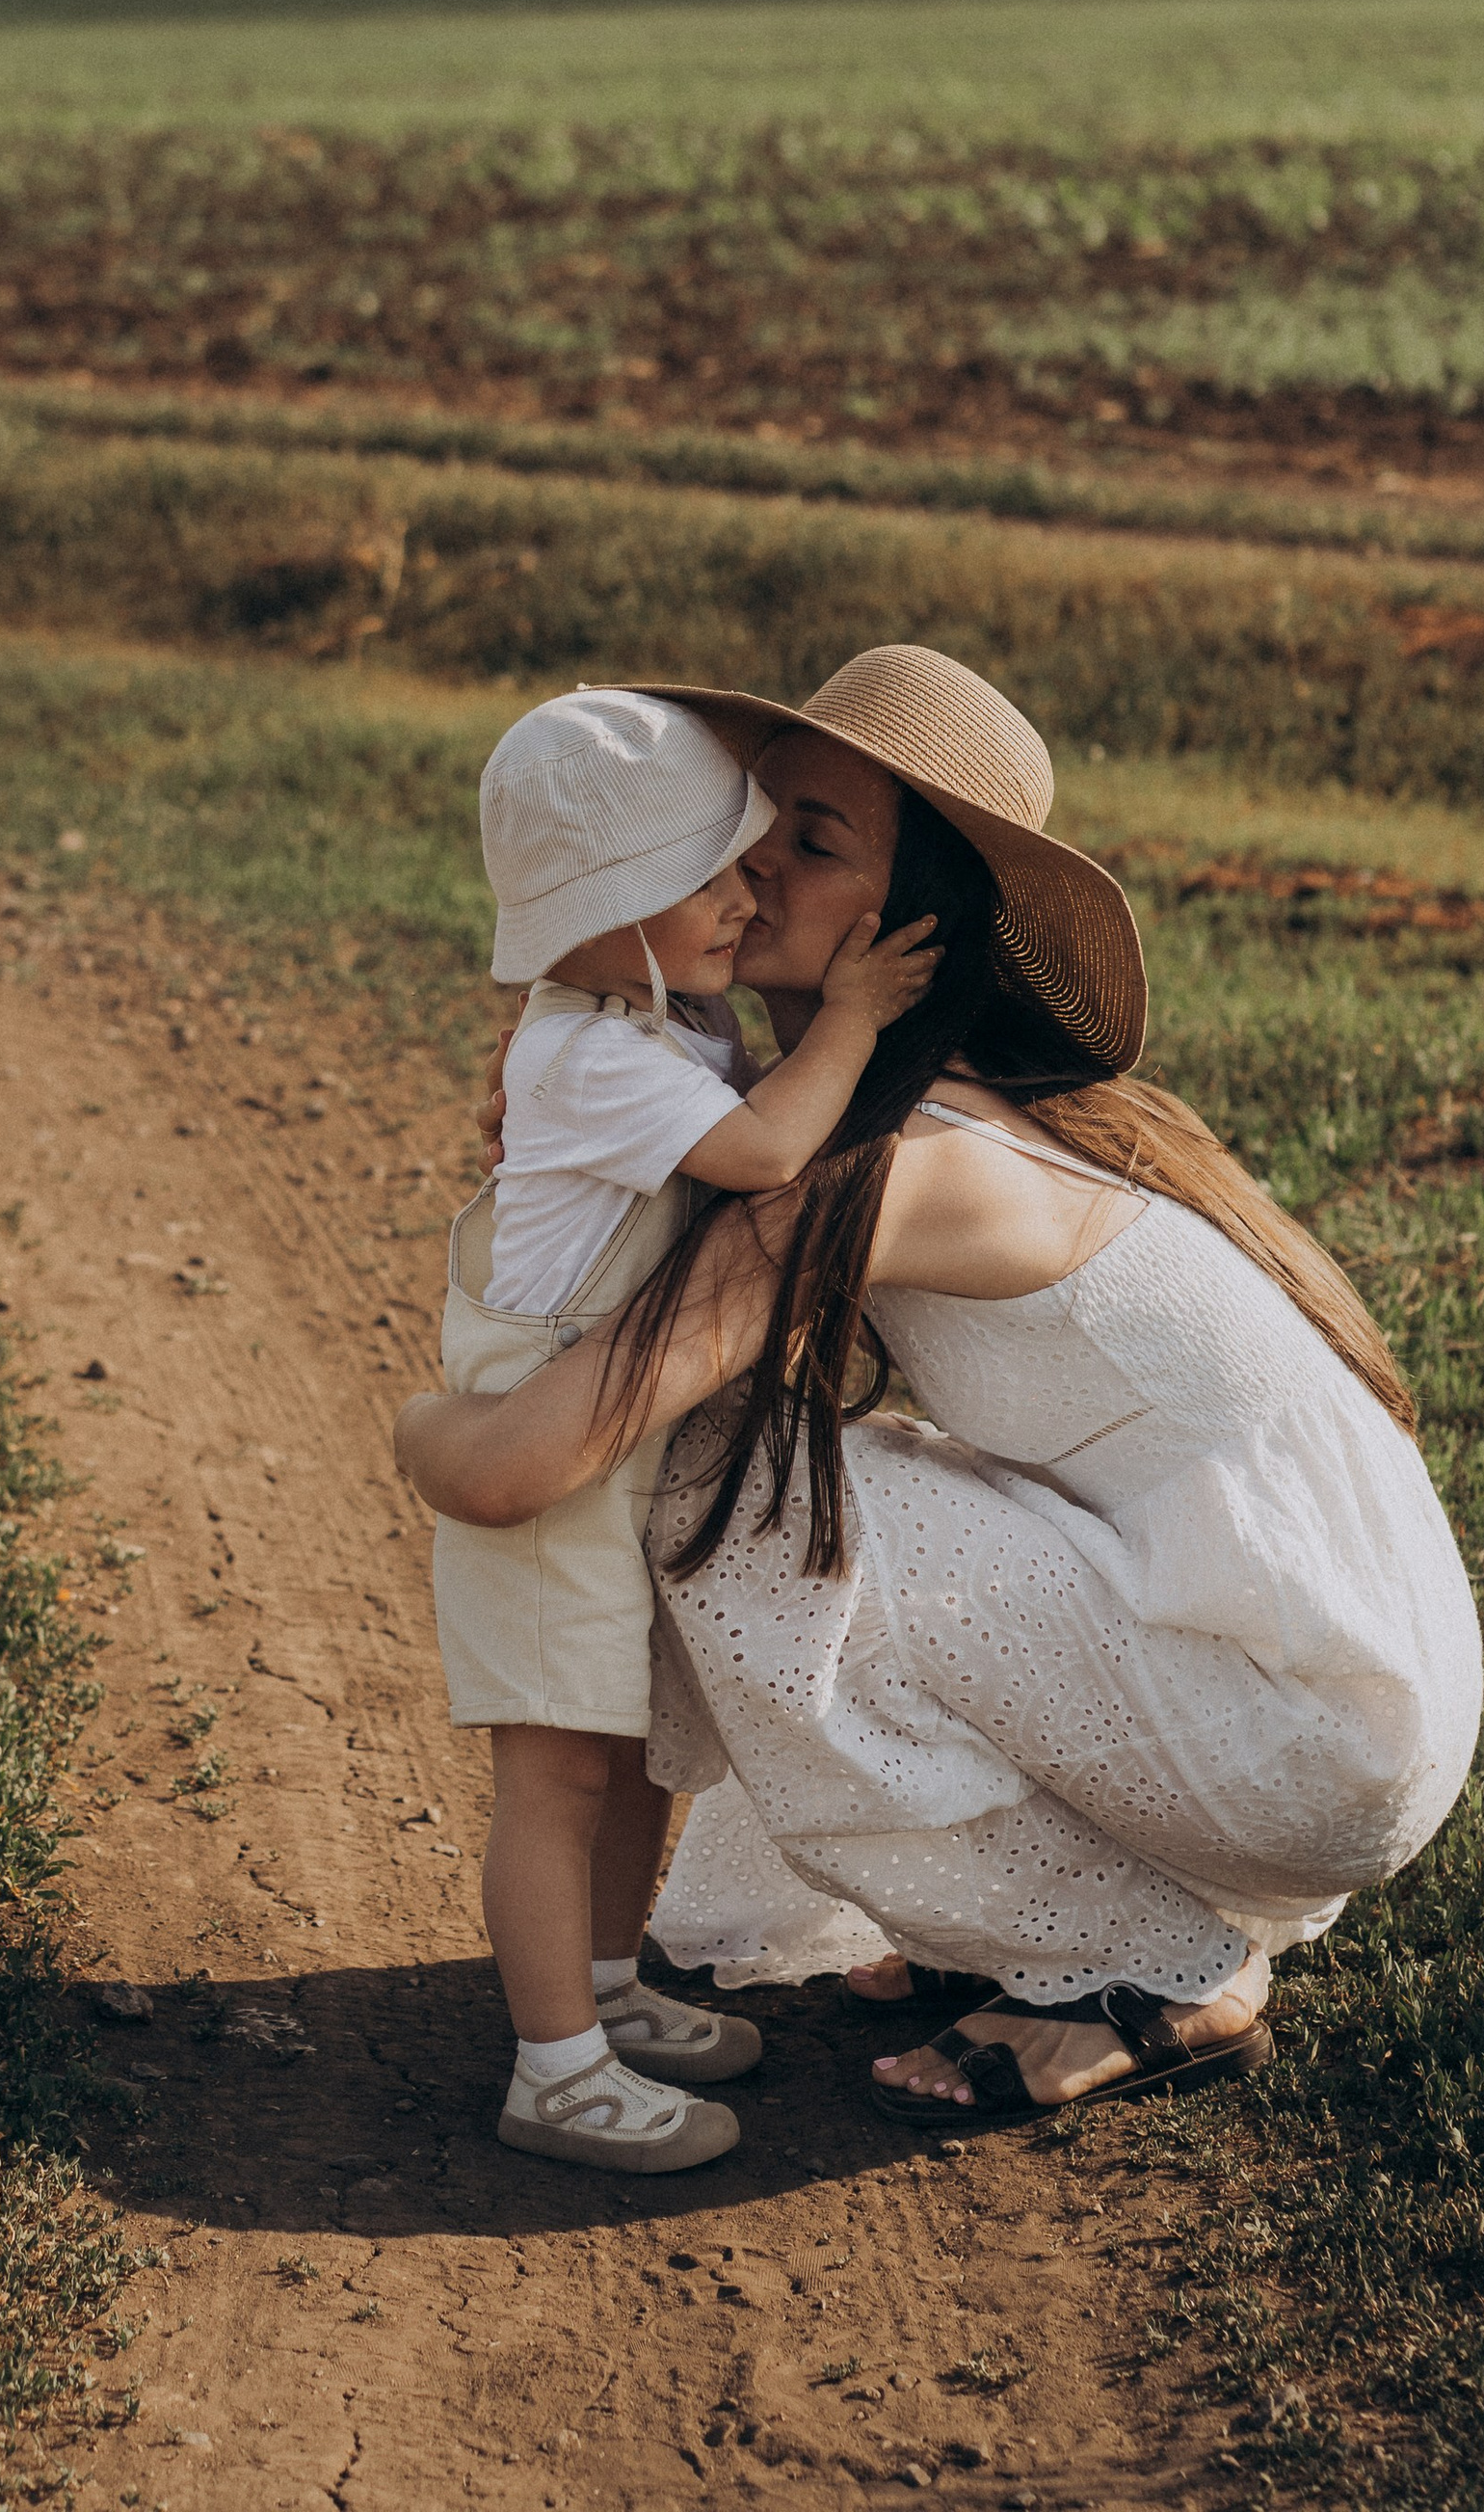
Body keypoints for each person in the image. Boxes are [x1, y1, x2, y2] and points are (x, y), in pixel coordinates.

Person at [400, 647, 1484, 2130]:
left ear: (911, 925)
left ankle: (1131, 1966)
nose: (748, 865)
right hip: (1327, 1676)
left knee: (726, 1485)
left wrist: (419, 1423)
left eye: (814, 841)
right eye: (749, 819)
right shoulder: (945, 1107)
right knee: (801, 1463)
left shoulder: (902, 1170)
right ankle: (1028, 1905)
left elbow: (519, 1464)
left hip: (1311, 1724)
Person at [443, 685, 938, 2173]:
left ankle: (604, 1990)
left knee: (630, 1746)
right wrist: (852, 1018)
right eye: (715, 874)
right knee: (555, 1767)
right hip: (545, 1447)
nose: (751, 891)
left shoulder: (648, 1021)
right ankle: (556, 2070)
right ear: (612, 910)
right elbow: (775, 1147)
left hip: (615, 1432)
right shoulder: (592, 1057)